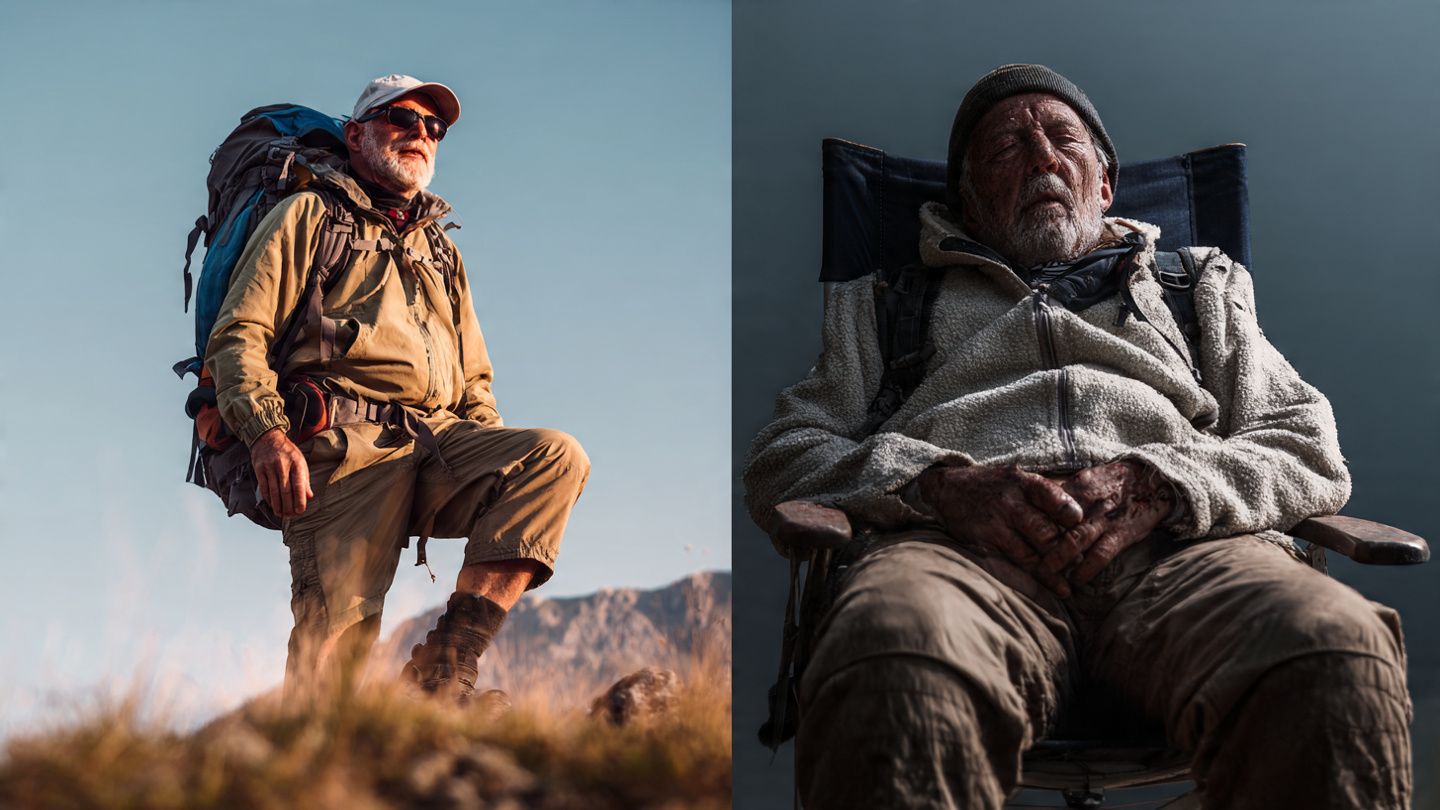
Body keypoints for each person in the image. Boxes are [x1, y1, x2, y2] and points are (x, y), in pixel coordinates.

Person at [743, 64, 1410, 809]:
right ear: (967, 201)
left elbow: (1305, 445)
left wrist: (1162, 484)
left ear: (1102, 186)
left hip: (1187, 555)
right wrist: (936, 485)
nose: (1042, 158)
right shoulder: (889, 301)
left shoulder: (1199, 288)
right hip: (957, 558)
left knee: (1330, 651)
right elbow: (785, 458)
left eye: (1064, 140)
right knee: (891, 654)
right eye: (1006, 148)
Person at [207, 75, 590, 706]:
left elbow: (474, 381)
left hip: (438, 443)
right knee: (333, 658)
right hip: (341, 448)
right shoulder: (308, 214)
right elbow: (239, 335)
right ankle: (302, 778)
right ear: (355, 134)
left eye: (433, 127)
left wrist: (483, 450)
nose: (421, 134)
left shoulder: (441, 249)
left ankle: (443, 672)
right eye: (402, 119)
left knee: (551, 458)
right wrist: (267, 433)